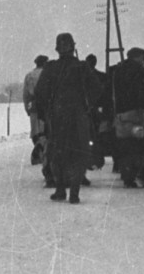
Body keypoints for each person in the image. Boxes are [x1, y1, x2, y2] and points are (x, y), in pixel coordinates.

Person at [34, 33, 103, 204]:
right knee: (78, 153)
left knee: (58, 153)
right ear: (73, 47)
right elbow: (97, 89)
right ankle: (74, 193)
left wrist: (48, 110)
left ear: (57, 49)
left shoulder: (50, 68)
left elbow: (39, 92)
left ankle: (59, 190)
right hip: (79, 115)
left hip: (57, 116)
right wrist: (88, 106)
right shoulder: (82, 67)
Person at [106, 46, 144, 188]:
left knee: (125, 146)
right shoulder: (139, 72)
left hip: (120, 114)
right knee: (140, 145)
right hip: (136, 113)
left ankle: (127, 177)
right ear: (137, 57)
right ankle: (141, 174)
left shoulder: (116, 71)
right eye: (143, 58)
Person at [23, 55, 49, 165]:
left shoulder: (29, 75)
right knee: (45, 131)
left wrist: (27, 109)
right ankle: (41, 153)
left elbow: (26, 95)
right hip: (46, 105)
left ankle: (39, 152)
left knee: (35, 131)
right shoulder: (47, 74)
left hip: (34, 106)